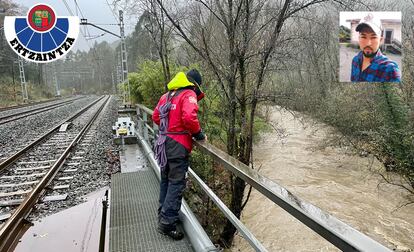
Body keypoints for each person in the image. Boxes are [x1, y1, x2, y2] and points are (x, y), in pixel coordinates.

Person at [152, 69, 206, 240]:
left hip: (163, 143)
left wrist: (169, 128)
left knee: (166, 180)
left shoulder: (167, 95)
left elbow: (155, 116)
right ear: (195, 85)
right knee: (177, 183)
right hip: (178, 145)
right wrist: (198, 134)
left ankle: (163, 213)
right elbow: (189, 117)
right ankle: (167, 223)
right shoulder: (188, 94)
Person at [351, 13, 401, 82]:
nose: (368, 43)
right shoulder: (355, 60)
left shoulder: (390, 70)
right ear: (359, 38)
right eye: (363, 37)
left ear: (380, 40)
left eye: (373, 37)